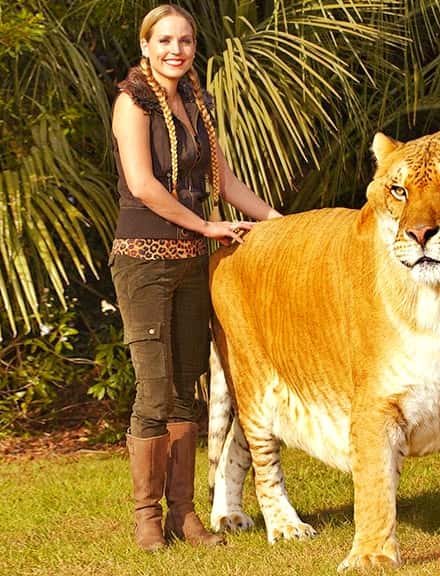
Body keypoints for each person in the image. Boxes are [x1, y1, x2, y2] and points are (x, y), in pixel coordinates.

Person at [110, 4, 281, 553]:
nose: (175, 50)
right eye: (164, 40)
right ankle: (146, 518)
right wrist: (207, 225)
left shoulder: (195, 102)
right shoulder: (132, 101)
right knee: (155, 391)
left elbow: (223, 180)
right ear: (146, 46)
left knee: (187, 388)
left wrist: (280, 224)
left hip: (190, 263)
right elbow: (142, 184)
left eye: (184, 40)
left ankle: (185, 514)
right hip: (143, 261)